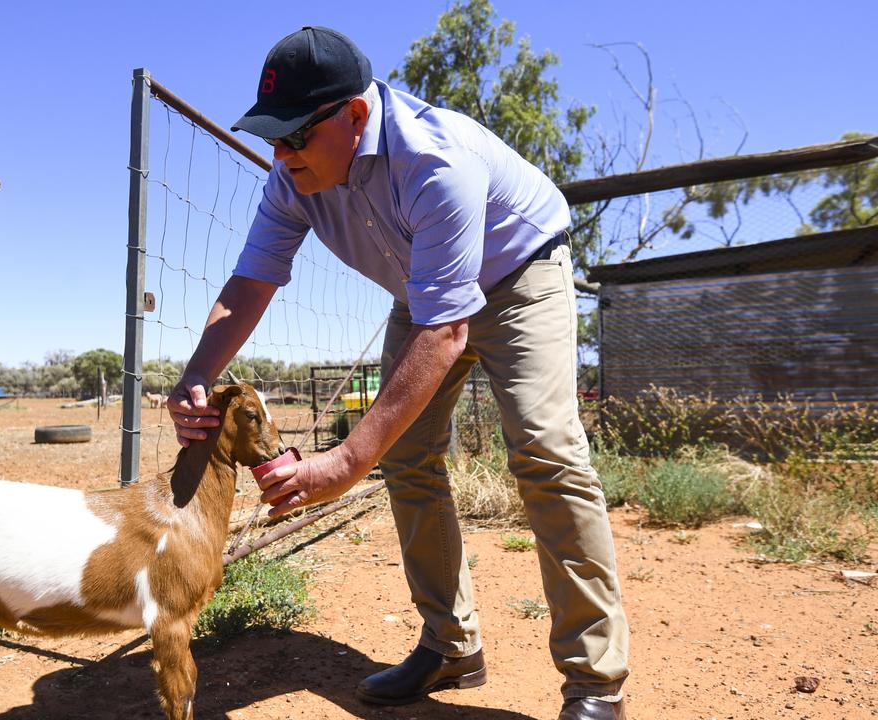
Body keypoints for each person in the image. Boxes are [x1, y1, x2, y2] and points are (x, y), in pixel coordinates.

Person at [167, 25, 629, 720]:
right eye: (273, 135)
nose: (281, 152)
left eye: (294, 135)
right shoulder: (291, 178)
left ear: (354, 115)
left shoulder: (436, 160)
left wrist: (345, 461)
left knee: (544, 452)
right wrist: (196, 373)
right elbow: (250, 281)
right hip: (425, 296)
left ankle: (596, 684)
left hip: (519, 272)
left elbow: (448, 333)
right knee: (409, 458)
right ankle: (451, 645)